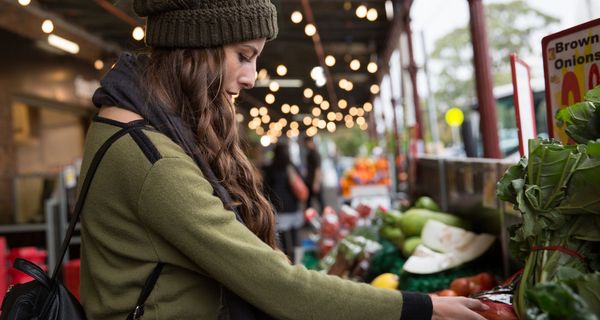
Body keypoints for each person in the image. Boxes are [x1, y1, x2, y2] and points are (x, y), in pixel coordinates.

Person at [79, 0, 489, 319]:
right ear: (198, 46)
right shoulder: (153, 160)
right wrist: (423, 309)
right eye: (243, 54)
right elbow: (279, 287)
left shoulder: (125, 128)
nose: (251, 76)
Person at [262, 142, 303, 262]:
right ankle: (298, 260)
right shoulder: (292, 167)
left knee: (283, 238)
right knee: (295, 235)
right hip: (293, 206)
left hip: (279, 206)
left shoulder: (270, 168)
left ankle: (287, 260)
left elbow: (265, 188)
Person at [303, 136, 324, 211]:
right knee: (309, 203)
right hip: (309, 181)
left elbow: (318, 169)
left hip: (314, 181)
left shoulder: (315, 154)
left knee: (320, 202)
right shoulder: (309, 154)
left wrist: (316, 183)